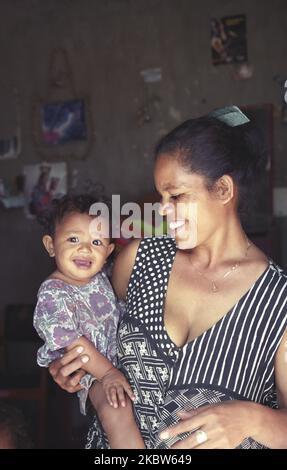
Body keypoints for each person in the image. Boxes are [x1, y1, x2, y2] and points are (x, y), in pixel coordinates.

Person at [49, 110, 287, 449]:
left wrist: (250, 419)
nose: (163, 210)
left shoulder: (277, 302)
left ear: (222, 190)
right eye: (161, 197)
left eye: (175, 196)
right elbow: (89, 326)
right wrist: (71, 366)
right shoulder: (139, 259)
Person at [33, 194, 145, 449]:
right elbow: (71, 342)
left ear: (107, 252)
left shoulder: (101, 277)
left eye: (96, 241)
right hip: (91, 373)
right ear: (51, 245)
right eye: (73, 239)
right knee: (117, 410)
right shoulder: (53, 292)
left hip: (118, 364)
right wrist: (108, 373)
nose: (85, 249)